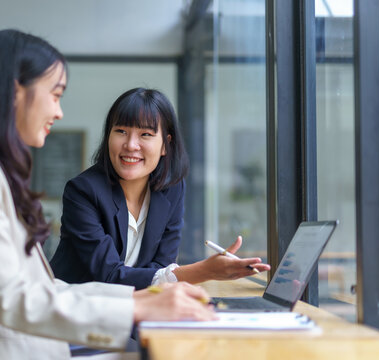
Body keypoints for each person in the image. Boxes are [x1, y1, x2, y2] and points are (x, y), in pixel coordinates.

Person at [0, 30, 215, 360]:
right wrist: (135, 309)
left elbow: (40, 288)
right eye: (55, 95)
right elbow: (11, 298)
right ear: (16, 92)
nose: (59, 112)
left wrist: (138, 301)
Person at [50, 88, 270, 290]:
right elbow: (108, 275)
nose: (131, 145)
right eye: (121, 131)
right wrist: (204, 271)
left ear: (165, 144)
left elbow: (161, 265)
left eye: (145, 134)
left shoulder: (172, 188)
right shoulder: (83, 192)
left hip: (138, 310)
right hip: (76, 316)